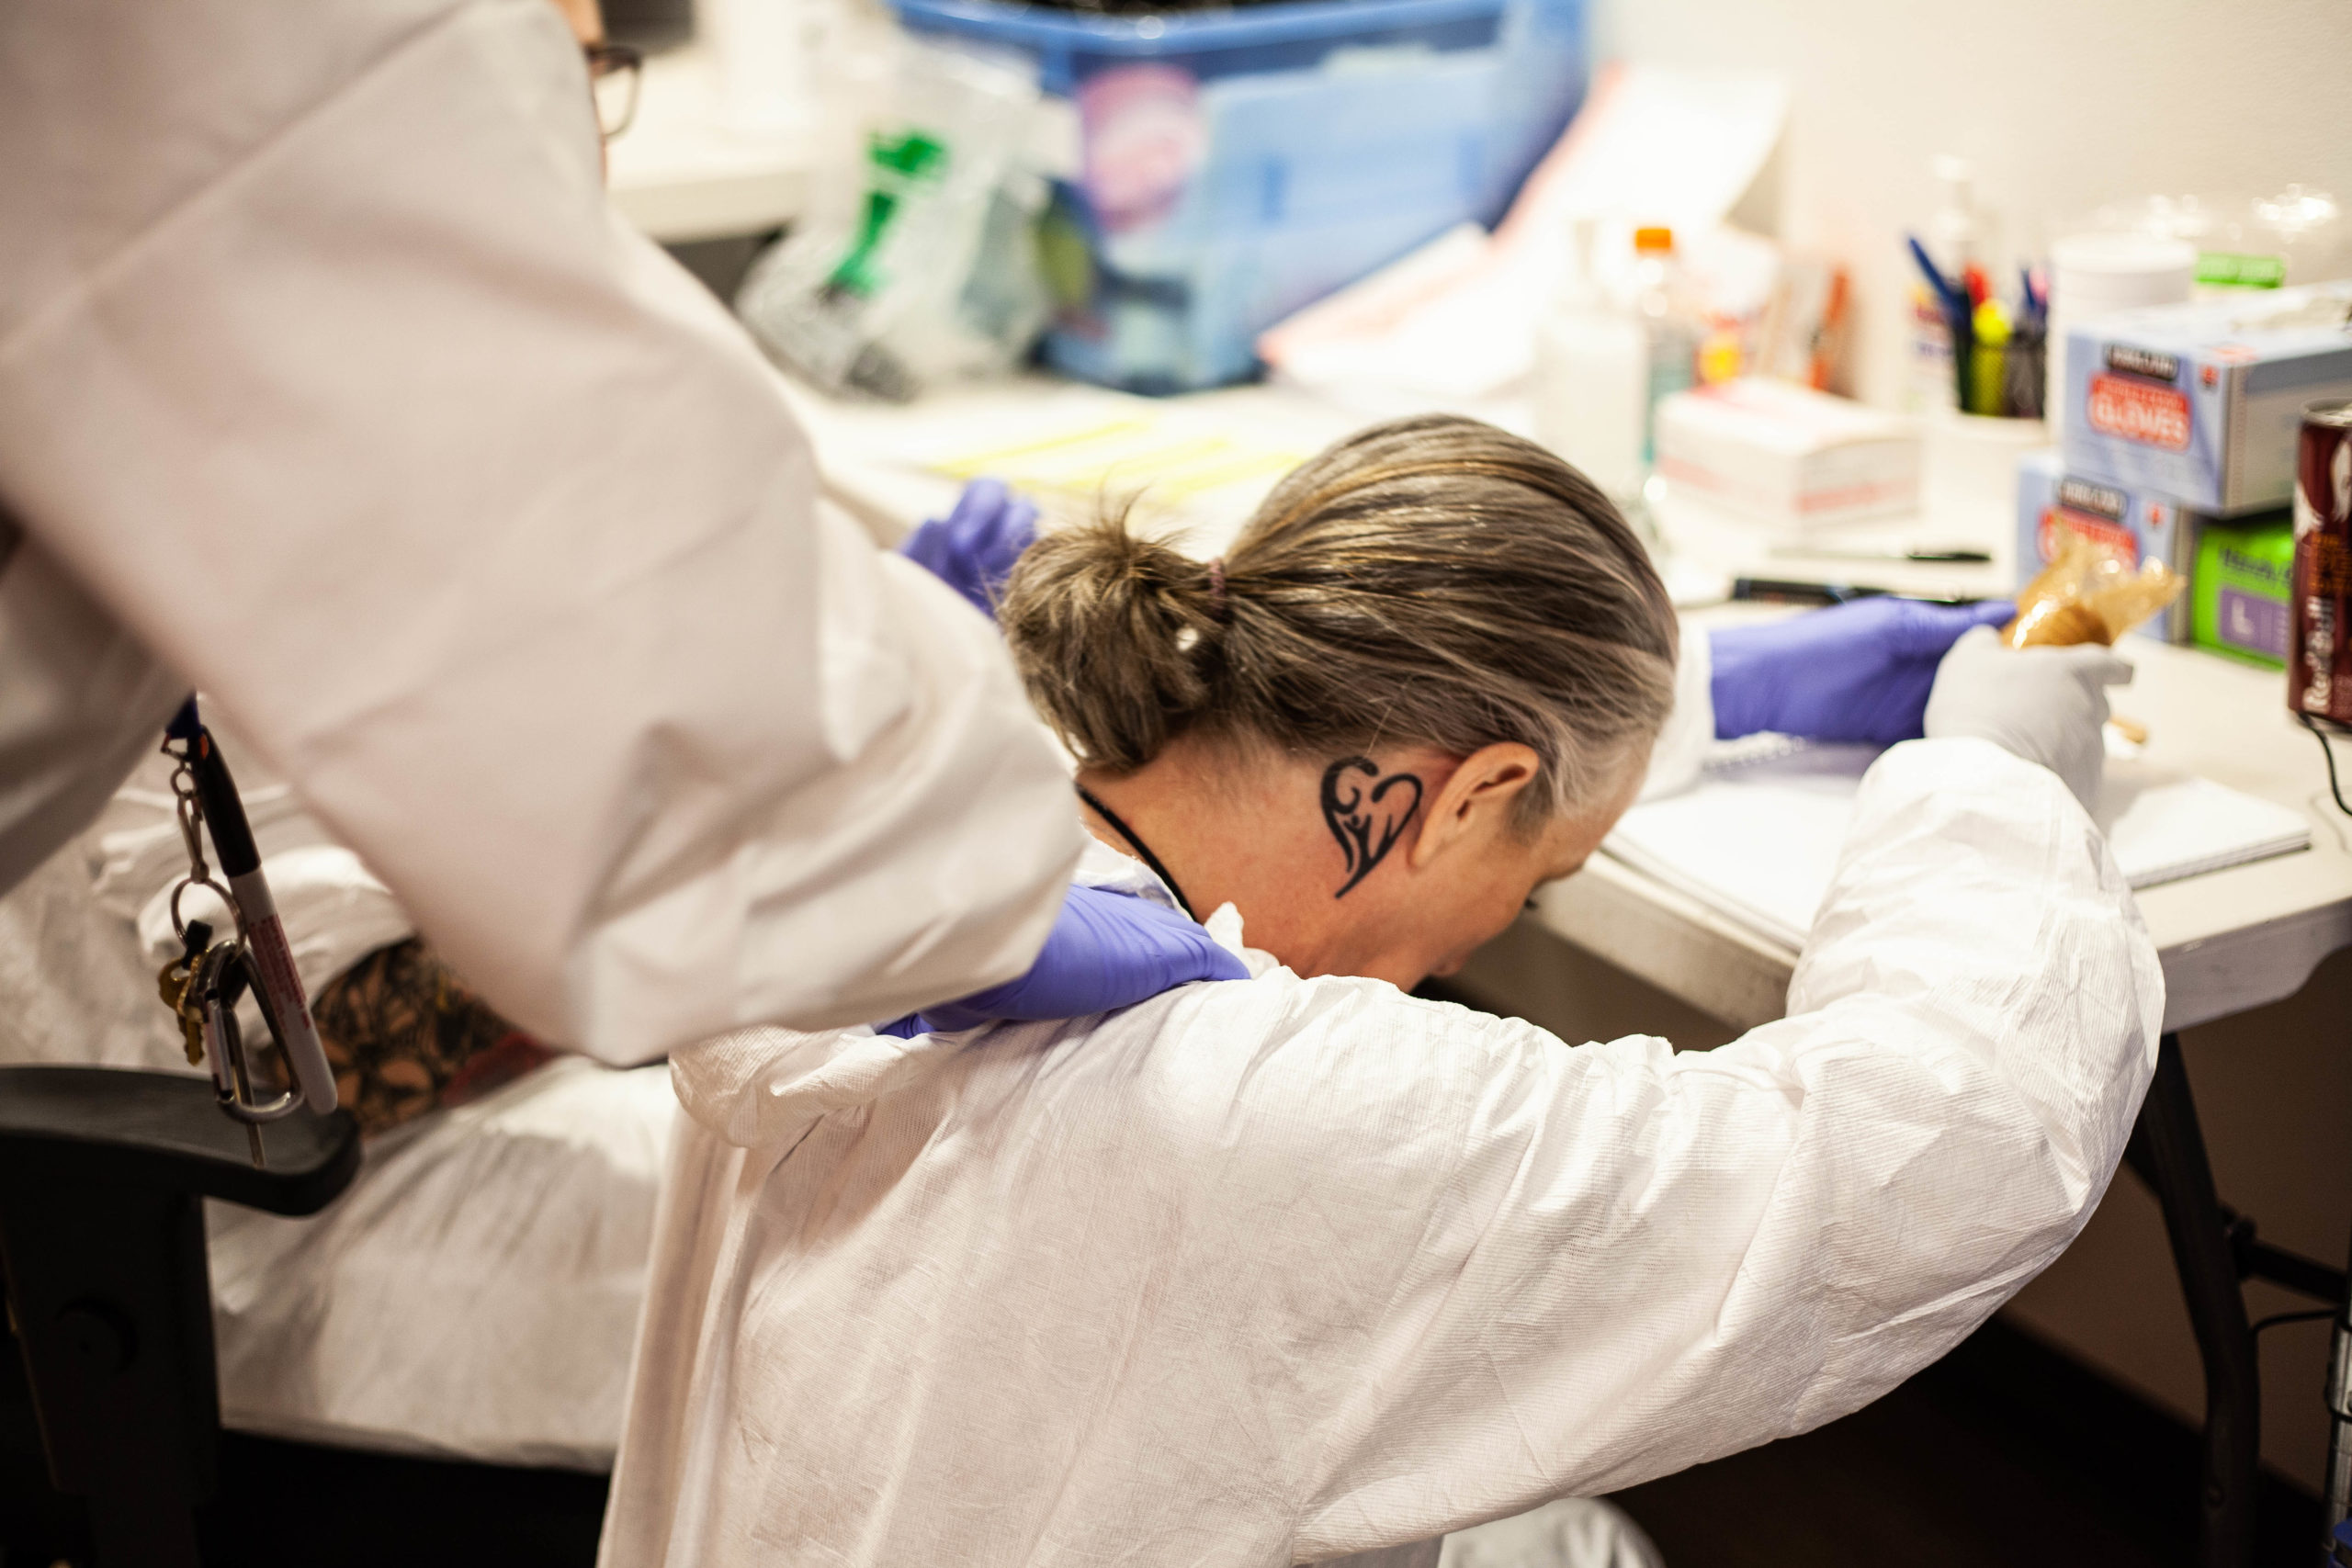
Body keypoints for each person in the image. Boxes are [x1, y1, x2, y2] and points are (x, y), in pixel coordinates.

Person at [596, 415, 2155, 1565]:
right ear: (1470, 790)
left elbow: (1408, 735)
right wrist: (1998, 777)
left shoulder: (899, 847)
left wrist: (1697, 692)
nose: (1485, 945)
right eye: (1534, 879)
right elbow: (1923, 1151)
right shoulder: (1273, 1106)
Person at [0, 0, 1242, 1066]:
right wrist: (884, 846)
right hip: (316, 1185)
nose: (575, 119)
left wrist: (813, 694)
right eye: (543, 63)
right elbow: (321, 1042)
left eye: (599, 69)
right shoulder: (266, 293)